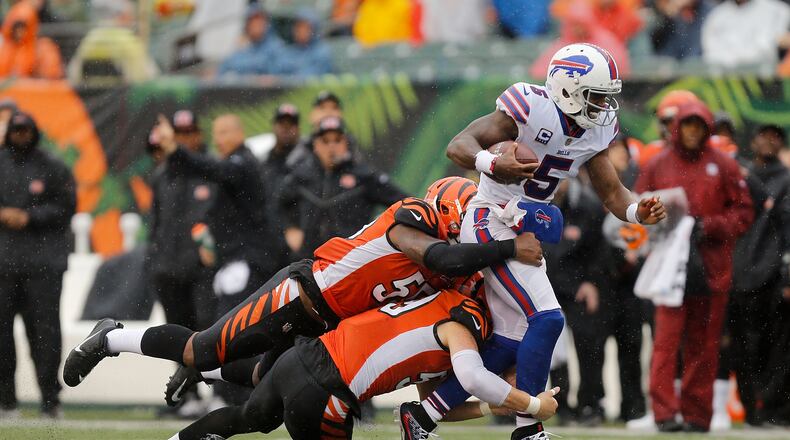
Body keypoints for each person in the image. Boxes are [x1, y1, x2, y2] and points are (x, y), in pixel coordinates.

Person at [399, 43, 666, 440]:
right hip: (491, 218)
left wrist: (637, 212)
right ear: (567, 88)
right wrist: (493, 163)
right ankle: (528, 429)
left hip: (524, 228)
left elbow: (612, 193)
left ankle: (421, 416)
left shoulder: (594, 131)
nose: (603, 106)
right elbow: (458, 145)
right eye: (596, 96)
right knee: (549, 318)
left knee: (511, 341)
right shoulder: (529, 106)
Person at [63, 178, 545, 396]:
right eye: (461, 228)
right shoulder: (412, 220)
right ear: (444, 211)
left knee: (263, 382)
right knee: (199, 348)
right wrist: (508, 249)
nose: (466, 239)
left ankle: (205, 373)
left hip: (329, 319)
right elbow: (440, 256)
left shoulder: (453, 265)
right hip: (304, 293)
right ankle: (111, 337)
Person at [170, 291, 561, 440]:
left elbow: (435, 406)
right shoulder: (462, 323)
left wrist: (494, 406)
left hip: (303, 358)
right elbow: (474, 376)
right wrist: (531, 405)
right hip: (326, 391)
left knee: (244, 419)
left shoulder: (439, 309)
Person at [635, 100, 753, 432]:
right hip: (668, 268)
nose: (692, 131)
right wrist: (659, 225)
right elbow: (636, 207)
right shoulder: (658, 163)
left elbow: (744, 211)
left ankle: (698, 415)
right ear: (677, 128)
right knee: (665, 342)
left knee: (704, 344)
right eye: (687, 125)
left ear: (707, 129)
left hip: (711, 268)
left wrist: (711, 226)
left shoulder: (724, 165)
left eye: (699, 126)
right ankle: (663, 413)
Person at [0, 112, 76, 417]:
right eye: (16, 130)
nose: (21, 135)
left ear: (35, 132)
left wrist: (30, 217)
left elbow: (67, 206)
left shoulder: (52, 166)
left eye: (26, 130)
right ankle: (6, 401)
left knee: (45, 334)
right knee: (2, 336)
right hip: (3, 265)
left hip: (43, 266)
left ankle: (50, 400)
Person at [730, 124, 790, 425]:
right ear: (752, 140)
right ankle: (752, 410)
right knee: (743, 347)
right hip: (740, 273)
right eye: (763, 135)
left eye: (775, 137)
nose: (768, 141)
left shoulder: (786, 180)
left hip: (775, 277)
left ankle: (774, 410)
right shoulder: (739, 176)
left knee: (777, 347)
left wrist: (786, 275)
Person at [279, 116, 407, 256]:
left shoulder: (364, 176)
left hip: (351, 260)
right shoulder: (302, 175)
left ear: (346, 143)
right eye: (325, 141)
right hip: (309, 260)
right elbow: (279, 203)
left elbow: (404, 203)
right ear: (315, 145)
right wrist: (290, 228)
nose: (332, 146)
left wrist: (380, 233)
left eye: (337, 140)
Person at [259, 104, 308, 267]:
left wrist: (293, 226)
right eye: (282, 124)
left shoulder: (308, 161)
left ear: (298, 128)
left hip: (297, 245)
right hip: (268, 244)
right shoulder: (265, 162)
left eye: (291, 124)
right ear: (274, 126)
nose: (286, 129)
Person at [530, 1, 631, 78]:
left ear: (589, 22)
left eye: (580, 24)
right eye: (574, 24)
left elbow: (618, 67)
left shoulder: (605, 40)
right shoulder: (562, 45)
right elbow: (540, 73)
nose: (577, 29)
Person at [702, 0, 790, 69]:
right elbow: (710, 54)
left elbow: (770, 47)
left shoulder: (778, 10)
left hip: (766, 78)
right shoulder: (716, 16)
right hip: (725, 79)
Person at [217, 4, 286, 76]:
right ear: (247, 25)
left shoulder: (276, 47)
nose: (256, 25)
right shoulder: (242, 48)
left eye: (260, 21)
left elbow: (282, 69)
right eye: (252, 22)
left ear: (267, 24)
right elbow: (225, 67)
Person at [0, 0, 64, 79]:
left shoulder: (41, 48)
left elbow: (52, 77)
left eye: (23, 27)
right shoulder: (4, 46)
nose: (20, 32)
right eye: (17, 28)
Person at [280, 9, 333, 77]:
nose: (301, 31)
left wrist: (286, 79)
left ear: (314, 29)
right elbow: (278, 74)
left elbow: (311, 78)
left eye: (306, 27)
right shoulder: (287, 51)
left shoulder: (322, 51)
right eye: (298, 26)